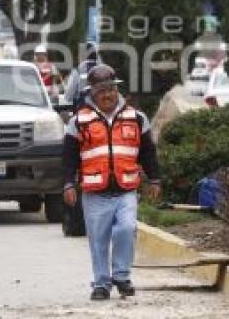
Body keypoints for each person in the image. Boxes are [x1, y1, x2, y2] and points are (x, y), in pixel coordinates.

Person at [62, 64, 161, 300]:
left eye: (111, 90)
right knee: (98, 240)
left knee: (127, 229)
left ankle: (121, 275)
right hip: (94, 192)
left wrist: (155, 179)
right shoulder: (78, 122)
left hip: (126, 189)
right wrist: (68, 183)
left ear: (117, 90)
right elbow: (68, 157)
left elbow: (147, 153)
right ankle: (101, 284)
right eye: (101, 91)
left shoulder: (136, 118)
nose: (107, 95)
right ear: (92, 94)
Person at [64, 41, 100, 107]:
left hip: (83, 110)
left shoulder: (77, 72)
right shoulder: (102, 70)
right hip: (101, 109)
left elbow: (68, 96)